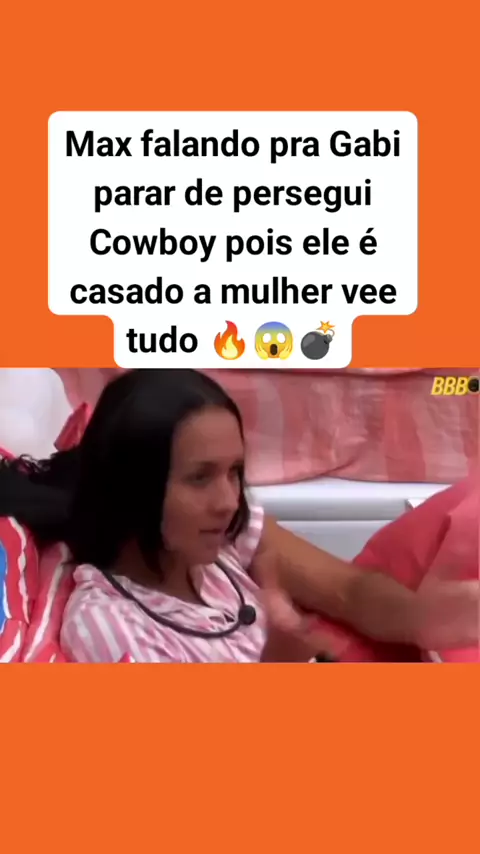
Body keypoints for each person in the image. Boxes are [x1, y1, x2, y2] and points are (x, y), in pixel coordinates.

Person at [0, 369, 477, 663]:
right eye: (200, 477)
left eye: (235, 472)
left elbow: (350, 590)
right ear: (132, 488)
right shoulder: (107, 627)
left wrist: (421, 619)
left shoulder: (221, 534)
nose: (229, 499)